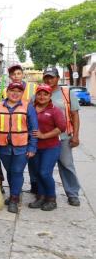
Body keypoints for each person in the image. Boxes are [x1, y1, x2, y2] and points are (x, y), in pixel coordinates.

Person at [0, 82, 38, 213]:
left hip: (22, 146)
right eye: (12, 90)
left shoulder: (28, 107)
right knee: (9, 171)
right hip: (3, 146)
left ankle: (14, 199)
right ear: (7, 91)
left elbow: (34, 129)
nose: (15, 93)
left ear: (22, 93)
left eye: (19, 91)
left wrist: (32, 147)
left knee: (17, 171)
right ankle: (13, 195)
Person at [42, 67, 82, 206]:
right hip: (44, 138)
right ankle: (42, 193)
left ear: (57, 78)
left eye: (51, 77)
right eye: (46, 77)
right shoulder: (39, 92)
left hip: (63, 137)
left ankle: (72, 193)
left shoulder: (66, 92)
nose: (49, 79)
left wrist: (75, 136)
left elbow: (75, 115)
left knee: (66, 164)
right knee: (42, 168)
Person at [28, 85, 66, 211]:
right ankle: (40, 197)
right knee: (37, 173)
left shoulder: (55, 110)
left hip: (51, 147)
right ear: (36, 95)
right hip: (34, 147)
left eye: (45, 94)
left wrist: (43, 135)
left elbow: (61, 128)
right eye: (39, 94)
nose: (42, 97)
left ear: (50, 96)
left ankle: (51, 199)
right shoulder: (31, 108)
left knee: (44, 172)